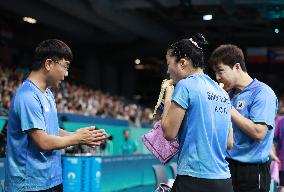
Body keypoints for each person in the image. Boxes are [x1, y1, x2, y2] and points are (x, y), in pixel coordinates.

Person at [4, 39, 107, 192]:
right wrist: (77, 138)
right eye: (65, 67)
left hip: (52, 179)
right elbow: (43, 141)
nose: (66, 74)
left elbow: (51, 130)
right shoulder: (27, 96)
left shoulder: (48, 94)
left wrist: (78, 136)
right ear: (49, 64)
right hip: (29, 185)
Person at [161, 34, 233, 192]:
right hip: (224, 182)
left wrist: (168, 98)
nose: (168, 70)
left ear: (182, 63)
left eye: (169, 64)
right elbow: (229, 143)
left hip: (193, 180)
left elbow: (168, 132)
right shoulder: (222, 93)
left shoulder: (185, 86)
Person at [209, 44, 278, 192]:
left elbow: (259, 132)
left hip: (252, 171)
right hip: (226, 167)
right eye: (215, 72)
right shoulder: (228, 94)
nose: (217, 77)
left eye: (220, 70)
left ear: (237, 67)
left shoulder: (263, 93)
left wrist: (228, 107)